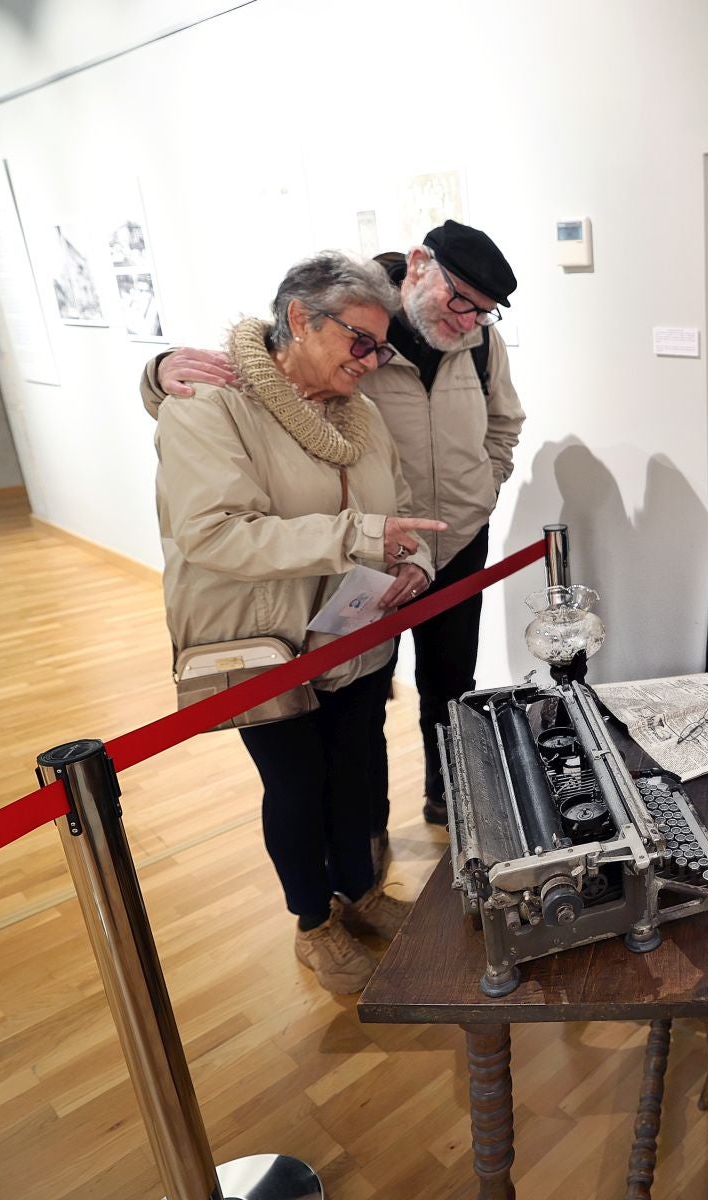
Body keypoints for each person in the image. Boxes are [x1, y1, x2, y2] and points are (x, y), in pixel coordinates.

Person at [142, 221, 524, 843]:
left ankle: (447, 800)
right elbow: (256, 378)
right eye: (460, 301)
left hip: (448, 543)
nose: (467, 321)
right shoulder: (348, 325)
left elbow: (503, 423)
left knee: (448, 685)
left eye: (483, 313)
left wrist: (483, 487)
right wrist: (156, 374)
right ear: (419, 265)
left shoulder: (480, 345)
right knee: (355, 708)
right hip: (356, 556)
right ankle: (360, 850)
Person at [153, 251, 446, 994]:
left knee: (357, 770)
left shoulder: (364, 414)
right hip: (264, 642)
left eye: (382, 347)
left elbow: (401, 503)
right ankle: (313, 923)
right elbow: (212, 533)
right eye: (360, 342)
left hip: (353, 636)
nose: (373, 362)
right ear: (298, 319)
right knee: (297, 786)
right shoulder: (211, 404)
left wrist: (419, 565)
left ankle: (363, 891)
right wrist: (356, 536)